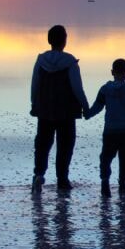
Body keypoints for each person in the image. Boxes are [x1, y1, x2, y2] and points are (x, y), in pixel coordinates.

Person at [30, 24, 89, 192]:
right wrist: (85, 107)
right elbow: (77, 88)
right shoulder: (70, 62)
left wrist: (34, 103)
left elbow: (35, 84)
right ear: (65, 41)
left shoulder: (41, 60)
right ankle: (62, 179)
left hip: (45, 109)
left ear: (49, 40)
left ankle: (39, 174)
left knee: (42, 144)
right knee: (65, 146)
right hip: (66, 111)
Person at [84, 58, 125, 197]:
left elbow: (97, 106)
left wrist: (88, 114)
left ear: (112, 72)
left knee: (106, 157)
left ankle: (105, 181)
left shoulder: (105, 90)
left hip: (110, 130)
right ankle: (123, 185)